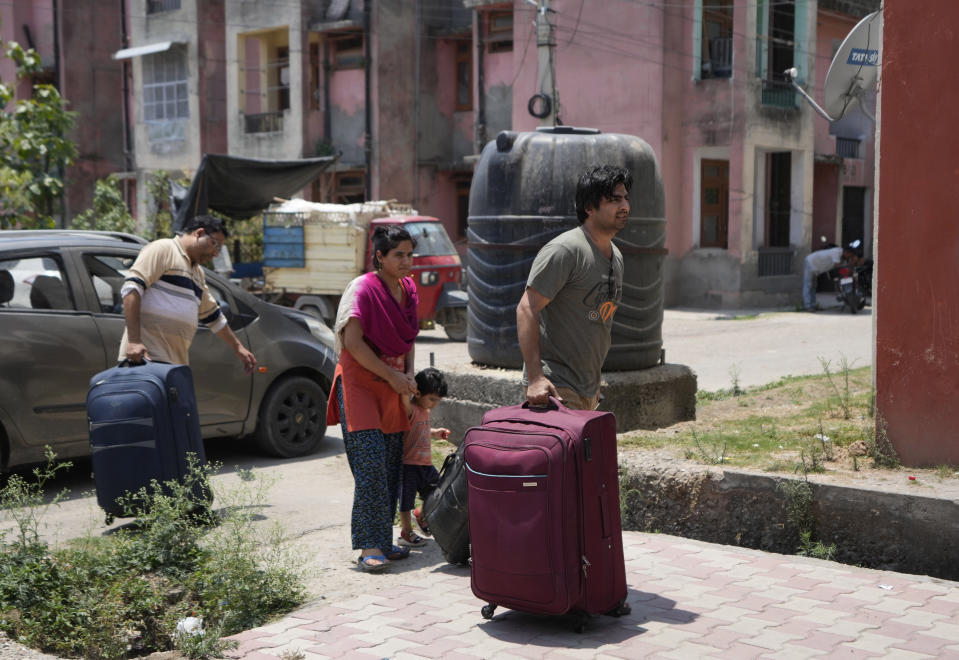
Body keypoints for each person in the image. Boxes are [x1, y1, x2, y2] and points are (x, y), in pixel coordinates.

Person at [326, 225, 419, 572]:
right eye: (399, 255)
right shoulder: (362, 288)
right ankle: (368, 545)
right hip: (360, 383)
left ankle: (383, 540)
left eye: (410, 254)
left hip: (393, 386)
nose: (407, 261)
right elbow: (352, 343)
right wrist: (394, 377)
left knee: (392, 466)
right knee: (370, 468)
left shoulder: (408, 291)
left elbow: (409, 337)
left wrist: (408, 380)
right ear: (379, 257)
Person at [516, 164, 631, 411]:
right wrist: (536, 378)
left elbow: (599, 320)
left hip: (588, 388)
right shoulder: (565, 250)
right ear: (589, 207)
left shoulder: (617, 256)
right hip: (555, 387)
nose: (624, 206)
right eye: (614, 200)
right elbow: (527, 309)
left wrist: (593, 381)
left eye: (625, 198)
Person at [119, 214, 257, 372]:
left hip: (174, 366)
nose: (216, 254)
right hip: (145, 360)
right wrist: (134, 341)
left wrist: (238, 348)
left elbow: (213, 317)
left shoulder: (197, 273)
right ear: (199, 233)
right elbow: (131, 289)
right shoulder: (163, 249)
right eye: (215, 245)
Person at [397, 367, 450, 547]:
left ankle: (421, 514)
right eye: (432, 399)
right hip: (409, 465)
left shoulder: (425, 410)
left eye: (437, 400)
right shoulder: (410, 408)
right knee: (406, 500)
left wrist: (435, 433)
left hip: (425, 465)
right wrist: (408, 380)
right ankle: (406, 532)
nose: (434, 404)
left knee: (438, 492)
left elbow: (421, 430)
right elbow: (403, 396)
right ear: (418, 393)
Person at [802, 243, 860, 311]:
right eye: (850, 255)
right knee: (808, 285)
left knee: (813, 286)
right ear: (846, 252)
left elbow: (844, 266)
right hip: (811, 262)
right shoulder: (836, 252)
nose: (849, 257)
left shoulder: (842, 257)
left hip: (817, 268)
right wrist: (850, 263)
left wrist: (852, 263)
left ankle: (813, 305)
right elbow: (837, 266)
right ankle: (807, 306)